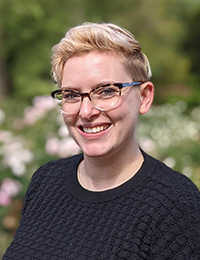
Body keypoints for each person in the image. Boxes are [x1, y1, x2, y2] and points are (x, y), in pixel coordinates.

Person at [3, 22, 200, 260]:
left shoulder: (175, 204)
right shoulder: (46, 181)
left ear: (144, 97)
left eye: (106, 91)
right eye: (72, 95)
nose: (86, 112)